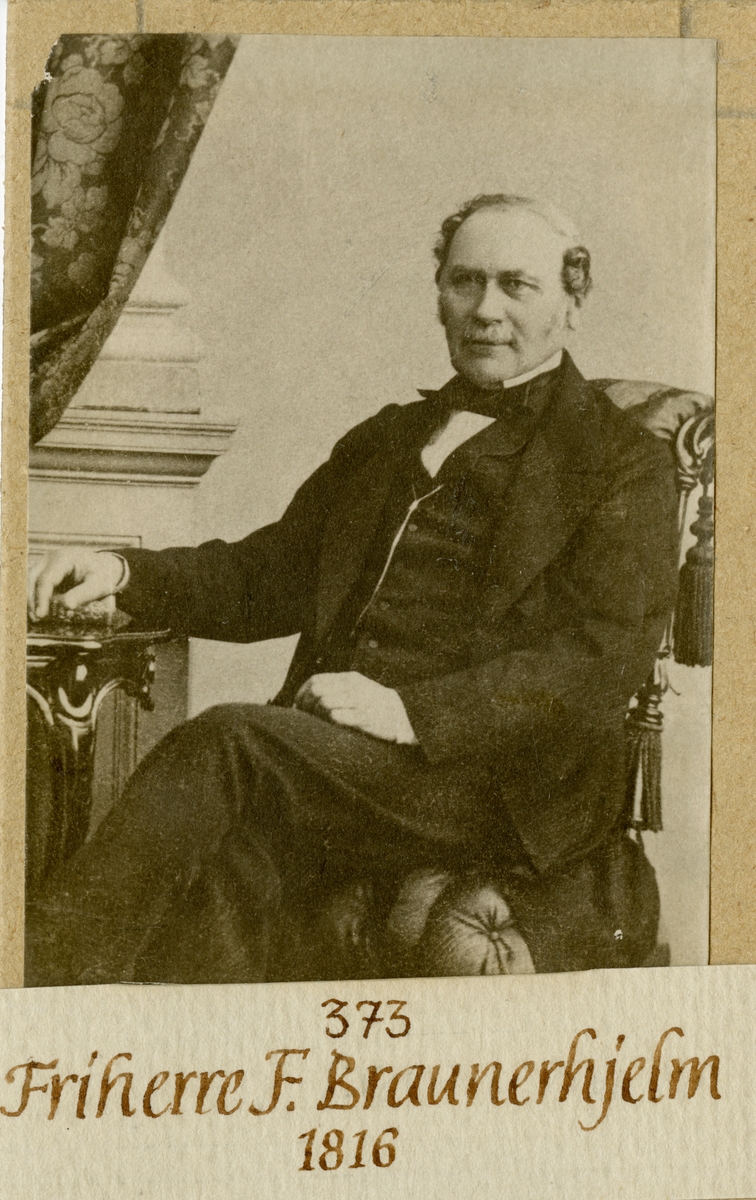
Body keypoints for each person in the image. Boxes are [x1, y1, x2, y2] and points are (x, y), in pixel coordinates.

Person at [26, 194, 679, 986]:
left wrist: (410, 713)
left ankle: (34, 996)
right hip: (350, 767)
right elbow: (268, 575)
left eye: (517, 285)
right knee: (232, 860)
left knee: (229, 744)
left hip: (494, 783)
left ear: (571, 303)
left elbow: (596, 660)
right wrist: (127, 574)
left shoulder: (621, 464)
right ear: (438, 293)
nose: (485, 309)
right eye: (465, 281)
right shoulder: (391, 437)